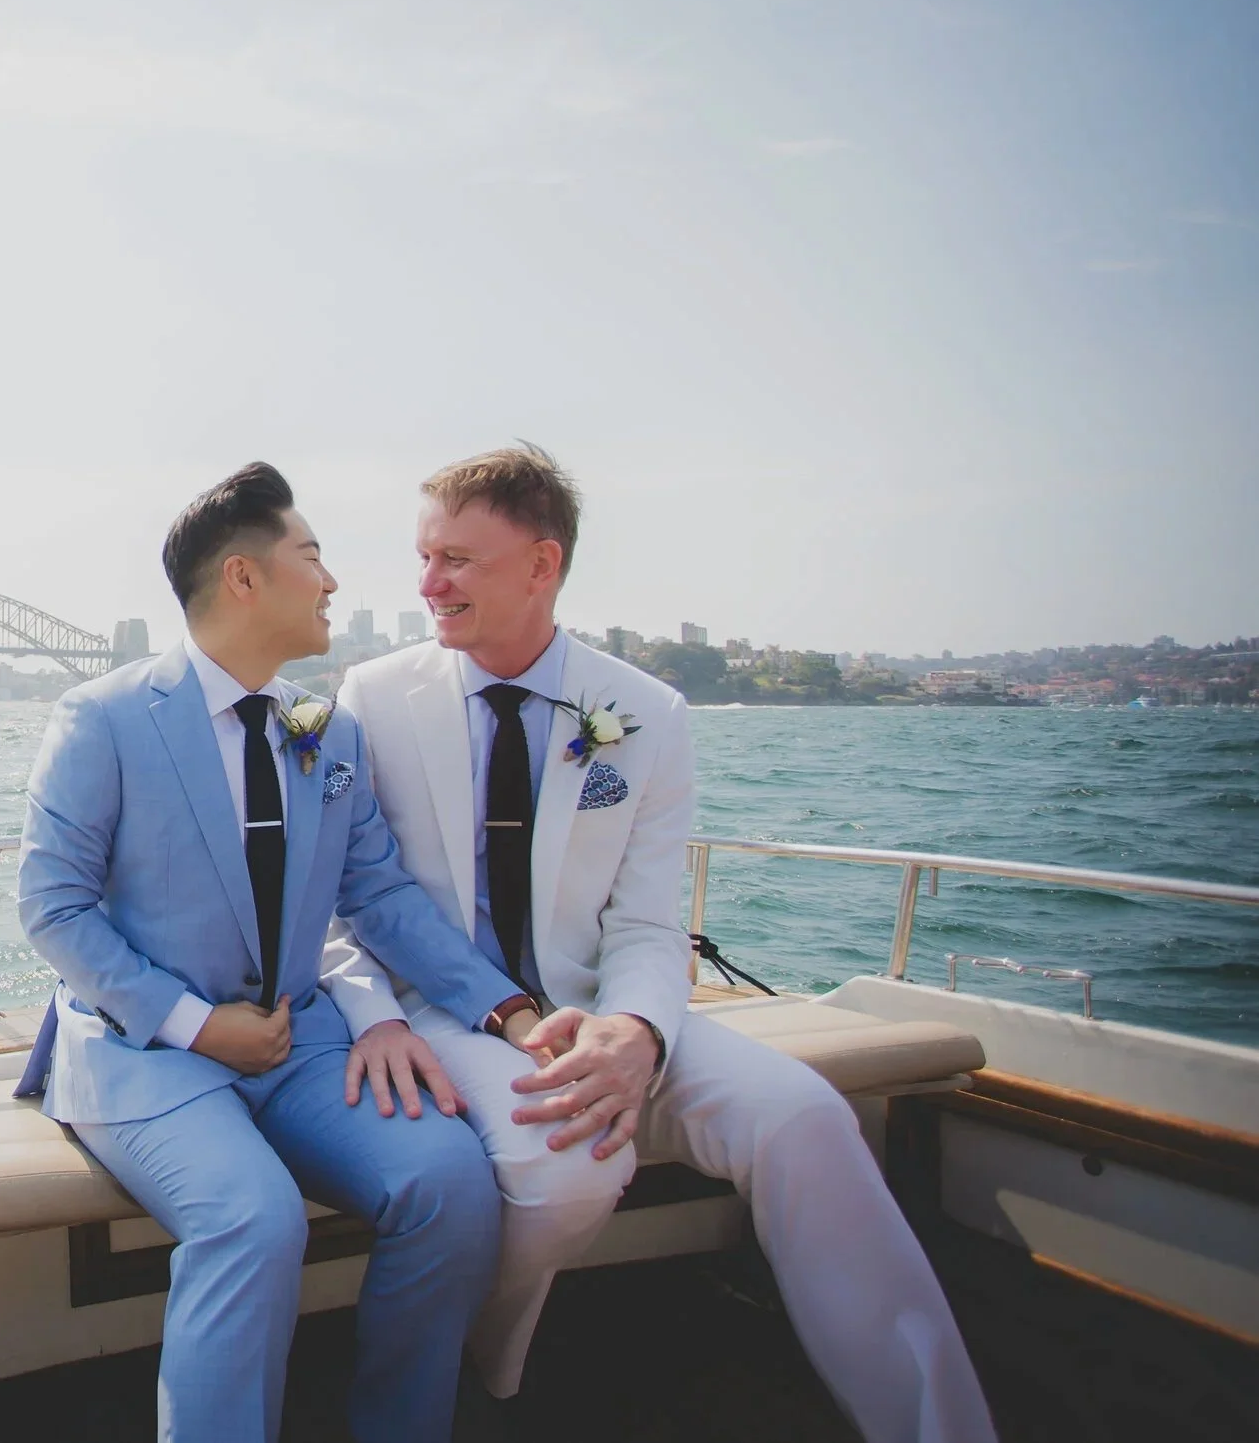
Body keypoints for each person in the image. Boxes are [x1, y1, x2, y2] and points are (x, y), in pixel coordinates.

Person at [321, 444, 996, 1443]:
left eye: (456, 560)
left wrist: (637, 1029)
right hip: (445, 1008)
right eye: (424, 557)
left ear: (541, 565)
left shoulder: (646, 711)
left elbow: (643, 921)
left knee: (805, 1117)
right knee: (566, 1165)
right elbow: (340, 896)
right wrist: (376, 1015)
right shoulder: (371, 699)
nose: (427, 583)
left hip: (600, 1001)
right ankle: (487, 1350)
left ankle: (937, 1426)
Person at [14, 461, 540, 1443]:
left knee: (452, 1184)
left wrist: (510, 1009)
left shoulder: (323, 727)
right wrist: (195, 1023)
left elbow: (377, 894)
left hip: (298, 1042)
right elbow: (51, 907)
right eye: (311, 557)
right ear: (244, 580)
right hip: (146, 1053)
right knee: (255, 1219)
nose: (333, 581)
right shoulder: (105, 718)